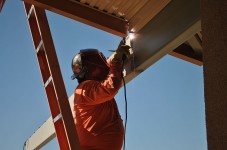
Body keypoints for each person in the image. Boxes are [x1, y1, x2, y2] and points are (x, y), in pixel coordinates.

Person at [71, 42, 130, 150]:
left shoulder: (92, 88)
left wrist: (117, 57)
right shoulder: (85, 88)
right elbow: (110, 88)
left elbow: (106, 69)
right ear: (94, 68)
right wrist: (116, 61)